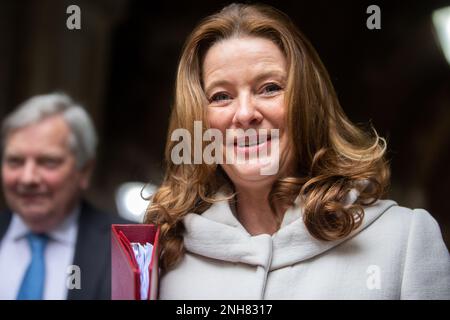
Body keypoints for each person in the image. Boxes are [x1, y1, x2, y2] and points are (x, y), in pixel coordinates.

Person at [145, 3, 450, 299]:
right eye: (221, 96)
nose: (245, 113)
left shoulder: (403, 240)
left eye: (270, 88)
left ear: (307, 104)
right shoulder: (164, 257)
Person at [0, 93, 129, 299]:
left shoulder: (126, 248)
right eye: (15, 161)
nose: (27, 178)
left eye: (48, 162)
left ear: (84, 171)